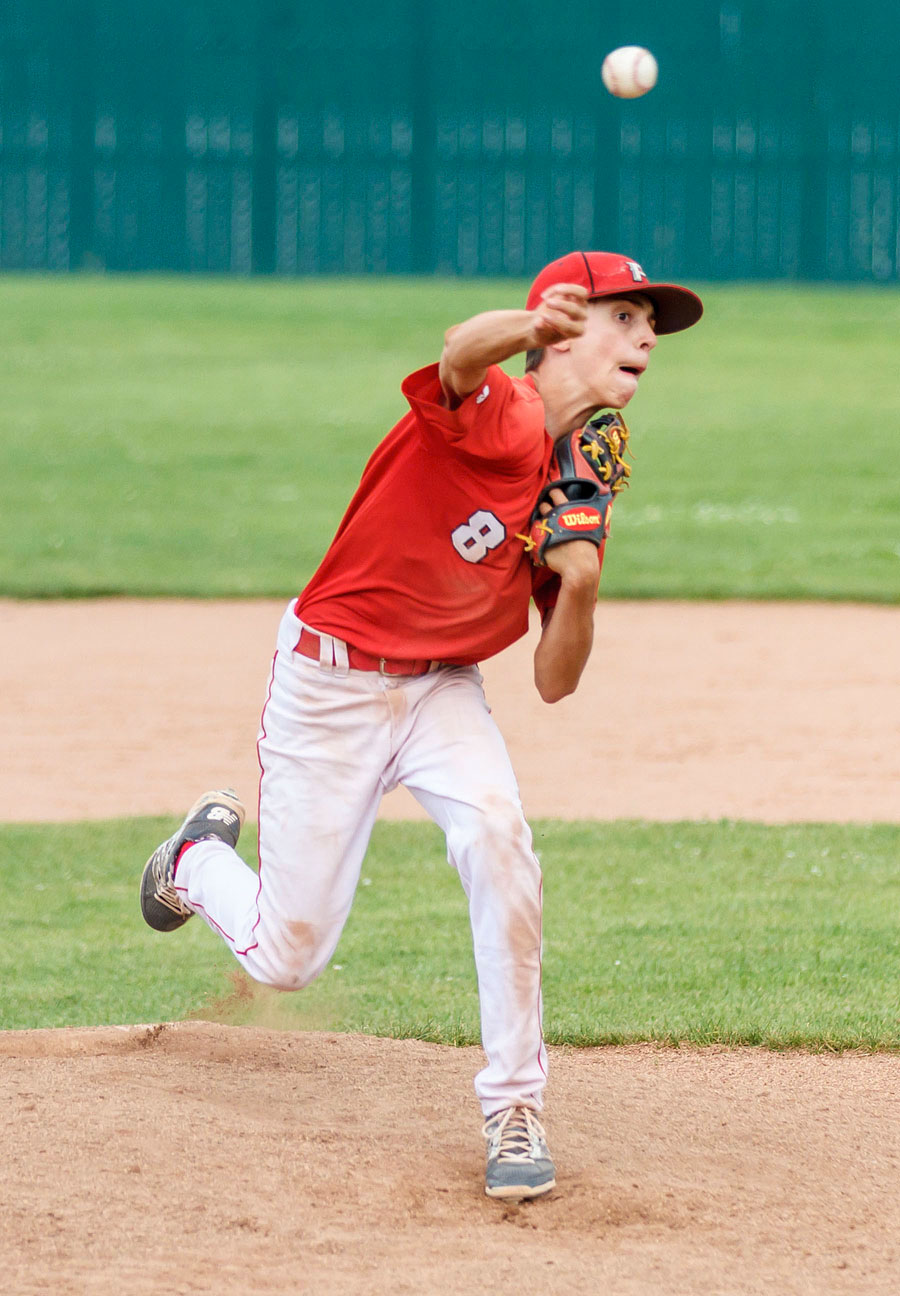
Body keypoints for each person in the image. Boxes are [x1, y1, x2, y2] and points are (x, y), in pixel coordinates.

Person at [140, 251, 703, 1200]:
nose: (649, 337)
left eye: (654, 324)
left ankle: (514, 1107)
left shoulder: (576, 480)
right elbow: (457, 352)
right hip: (330, 685)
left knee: (498, 837)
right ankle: (193, 860)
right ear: (564, 325)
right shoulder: (503, 409)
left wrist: (582, 586)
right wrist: (527, 329)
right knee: (289, 959)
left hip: (442, 688)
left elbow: (555, 683)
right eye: (628, 317)